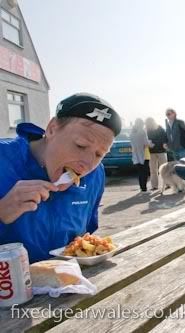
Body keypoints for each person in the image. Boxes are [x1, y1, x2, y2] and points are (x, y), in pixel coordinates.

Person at [0, 93, 121, 263]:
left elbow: (85, 236)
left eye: (99, 154)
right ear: (52, 129)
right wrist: (2, 212)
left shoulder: (96, 174)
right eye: (80, 145)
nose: (87, 163)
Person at [145, 117, 168, 190]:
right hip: (155, 152)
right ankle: (156, 186)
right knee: (156, 170)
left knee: (157, 170)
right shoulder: (147, 130)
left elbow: (165, 137)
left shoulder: (159, 128)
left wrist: (163, 143)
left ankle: (160, 185)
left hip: (158, 151)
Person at [130, 118, 150, 192]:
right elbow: (146, 143)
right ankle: (144, 188)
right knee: (145, 172)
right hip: (144, 154)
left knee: (140, 172)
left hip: (135, 155)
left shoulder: (132, 132)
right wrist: (151, 143)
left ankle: (142, 188)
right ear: (141, 124)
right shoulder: (142, 131)